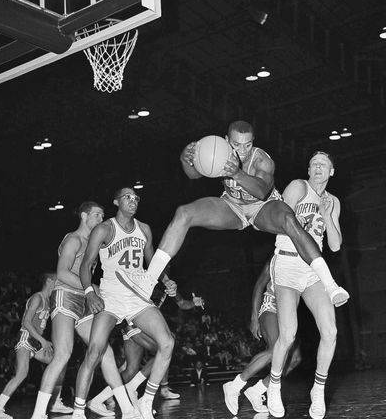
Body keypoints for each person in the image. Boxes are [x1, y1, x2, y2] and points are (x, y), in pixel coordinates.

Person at [115, 120, 349, 310]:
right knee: (184, 212)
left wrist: (237, 173)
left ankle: (330, 285)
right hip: (233, 207)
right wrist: (185, 159)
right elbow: (194, 175)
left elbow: (262, 190)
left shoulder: (262, 160)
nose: (243, 150)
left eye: (248, 145)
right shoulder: (216, 149)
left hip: (263, 206)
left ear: (253, 143)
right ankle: (148, 282)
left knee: (289, 219)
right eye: (237, 144)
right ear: (227, 141)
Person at [69, 187, 176, 419]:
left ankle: (146, 400)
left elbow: (153, 265)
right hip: (111, 298)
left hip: (137, 298)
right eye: (128, 196)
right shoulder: (104, 229)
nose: (133, 200)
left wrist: (166, 281)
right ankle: (78, 413)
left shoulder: (144, 229)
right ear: (116, 201)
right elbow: (86, 265)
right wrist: (89, 293)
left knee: (168, 342)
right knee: (94, 352)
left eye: (136, 197)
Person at [28, 201, 136, 419]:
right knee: (63, 354)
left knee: (103, 351)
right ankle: (37, 417)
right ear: (84, 216)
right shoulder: (73, 239)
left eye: (103, 215)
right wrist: (93, 289)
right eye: (97, 215)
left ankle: (128, 410)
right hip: (66, 297)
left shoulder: (93, 244)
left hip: (84, 300)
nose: (101, 219)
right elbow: (61, 273)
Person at [265, 151, 343, 419]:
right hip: (286, 264)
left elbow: (334, 244)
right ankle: (274, 386)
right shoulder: (299, 186)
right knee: (288, 334)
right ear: (308, 169)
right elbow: (277, 219)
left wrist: (327, 216)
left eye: (323, 164)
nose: (318, 167)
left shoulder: (333, 201)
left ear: (331, 171)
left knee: (330, 331)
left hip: (312, 271)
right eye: (314, 164)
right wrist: (305, 223)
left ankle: (318, 390)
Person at [0, 272, 72, 419]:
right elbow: (26, 322)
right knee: (21, 374)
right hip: (26, 339)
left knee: (60, 362)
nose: (59, 285)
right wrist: (43, 341)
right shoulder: (37, 298)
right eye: (57, 282)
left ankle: (55, 402)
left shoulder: (48, 300)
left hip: (36, 343)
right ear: (49, 281)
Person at [223, 259, 301, 415]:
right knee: (276, 350)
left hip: (287, 313)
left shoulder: (306, 258)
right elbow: (259, 285)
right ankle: (235, 385)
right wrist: (254, 317)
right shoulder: (278, 256)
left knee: (294, 359)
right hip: (270, 307)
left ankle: (257, 390)